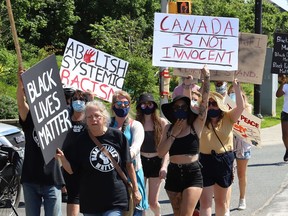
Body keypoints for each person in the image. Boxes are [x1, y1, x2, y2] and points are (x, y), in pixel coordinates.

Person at [56, 100, 141, 215]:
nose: (93, 119)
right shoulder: (80, 141)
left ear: (104, 117)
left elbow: (128, 164)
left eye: (97, 116)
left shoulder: (117, 136)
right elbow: (71, 169)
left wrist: (136, 190)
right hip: (91, 201)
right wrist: (62, 158)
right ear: (85, 120)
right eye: (89, 117)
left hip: (115, 198)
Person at [157, 65, 210, 216]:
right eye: (176, 107)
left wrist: (206, 78)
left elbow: (204, 102)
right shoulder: (168, 128)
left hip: (192, 172)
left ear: (188, 109)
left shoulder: (196, 125)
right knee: (178, 213)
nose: (180, 109)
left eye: (183, 107)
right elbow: (161, 153)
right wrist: (173, 134)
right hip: (173, 174)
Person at [17, 69, 65, 216]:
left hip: (52, 179)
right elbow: (20, 104)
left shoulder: (57, 116)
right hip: (30, 179)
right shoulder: (29, 116)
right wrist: (20, 84)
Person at [199, 79, 245, 216]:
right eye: (209, 104)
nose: (211, 107)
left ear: (220, 105)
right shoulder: (200, 119)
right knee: (205, 202)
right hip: (204, 161)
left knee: (221, 202)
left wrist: (236, 87)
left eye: (214, 104)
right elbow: (194, 102)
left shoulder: (228, 117)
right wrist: (203, 84)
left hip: (223, 161)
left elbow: (241, 107)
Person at [110, 90, 149, 216]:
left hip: (133, 173)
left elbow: (135, 147)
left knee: (135, 209)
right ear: (113, 106)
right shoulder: (107, 124)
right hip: (112, 175)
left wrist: (120, 157)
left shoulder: (135, 125)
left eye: (125, 103)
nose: (122, 106)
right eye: (119, 103)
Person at [136, 93, 169, 216]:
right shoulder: (136, 123)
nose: (147, 106)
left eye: (149, 104)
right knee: (139, 199)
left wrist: (164, 166)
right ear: (140, 106)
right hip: (140, 161)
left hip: (157, 161)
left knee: (152, 202)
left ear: (154, 106)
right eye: (144, 104)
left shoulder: (162, 122)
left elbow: (166, 148)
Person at [62, 89, 89, 216]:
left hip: (88, 167)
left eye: (82, 100)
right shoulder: (64, 120)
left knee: (90, 198)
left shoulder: (90, 120)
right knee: (73, 197)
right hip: (69, 166)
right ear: (70, 102)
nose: (78, 103)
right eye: (75, 100)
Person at [276, 74, 288, 161]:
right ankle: (287, 149)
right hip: (286, 112)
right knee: (285, 134)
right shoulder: (286, 86)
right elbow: (278, 94)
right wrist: (282, 83)